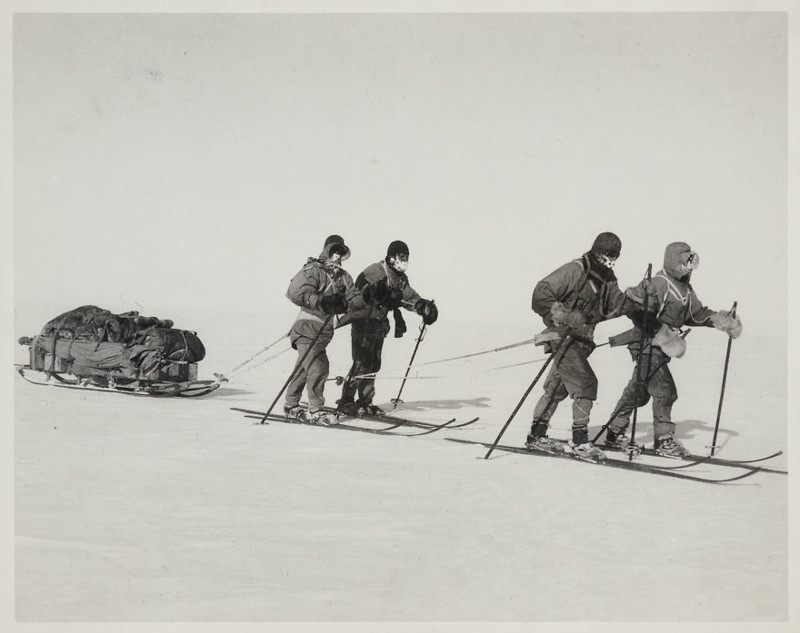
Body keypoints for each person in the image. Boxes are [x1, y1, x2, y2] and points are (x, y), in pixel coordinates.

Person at [603, 241, 742, 457]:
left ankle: (613, 431)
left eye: (691, 264)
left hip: (661, 349)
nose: (689, 268)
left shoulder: (685, 289)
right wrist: (664, 334)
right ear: (674, 261)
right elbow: (638, 313)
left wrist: (720, 320)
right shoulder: (659, 283)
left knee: (638, 392)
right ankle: (663, 440)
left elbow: (695, 314)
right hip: (648, 345)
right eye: (685, 263)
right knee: (665, 391)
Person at [526, 232, 636, 461]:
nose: (611, 260)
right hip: (562, 336)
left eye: (616, 256)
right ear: (597, 251)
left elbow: (615, 305)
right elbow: (541, 293)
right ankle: (580, 442)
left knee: (557, 388)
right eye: (608, 255)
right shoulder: (575, 270)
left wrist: (636, 297)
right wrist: (564, 314)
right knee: (586, 384)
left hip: (582, 341)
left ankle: (536, 435)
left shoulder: (608, 278)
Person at [336, 240, 438, 417]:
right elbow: (358, 299)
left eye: (407, 257)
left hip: (379, 325)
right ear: (391, 258)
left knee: (374, 364)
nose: (404, 261)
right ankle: (346, 401)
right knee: (362, 363)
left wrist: (422, 306)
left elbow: (409, 296)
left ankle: (365, 402)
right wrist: (379, 296)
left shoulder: (400, 278)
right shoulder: (374, 271)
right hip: (364, 321)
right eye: (401, 257)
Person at [283, 235, 362, 425]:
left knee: (305, 367)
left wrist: (371, 295)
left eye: (340, 253)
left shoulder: (344, 277)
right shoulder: (313, 270)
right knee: (319, 366)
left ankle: (291, 404)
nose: (337, 256)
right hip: (306, 327)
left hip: (323, 332)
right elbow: (295, 291)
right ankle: (316, 409)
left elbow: (355, 300)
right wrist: (321, 301)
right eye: (334, 251)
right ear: (326, 251)